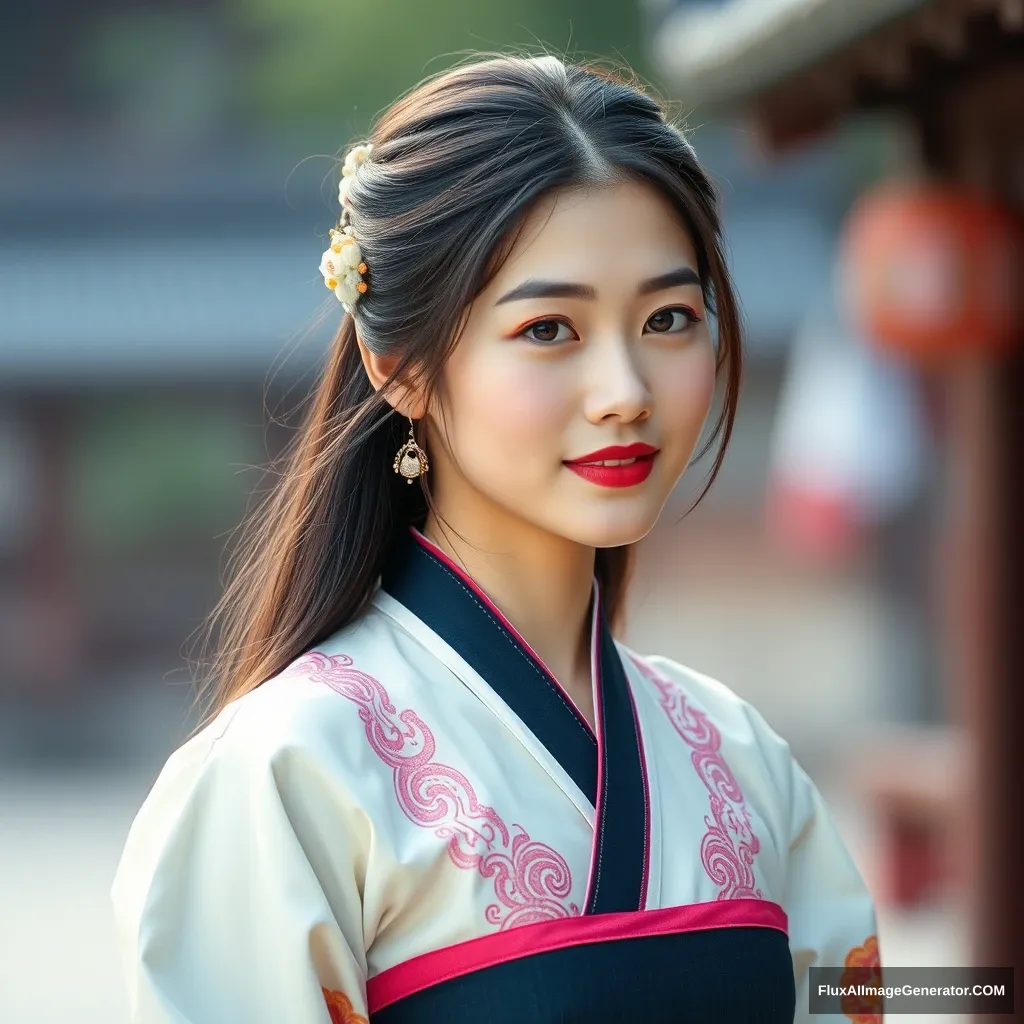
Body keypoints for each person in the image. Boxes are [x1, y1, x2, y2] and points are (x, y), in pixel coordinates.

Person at [110, 54, 880, 1023]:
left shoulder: (738, 756)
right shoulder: (290, 774)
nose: (626, 392)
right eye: (550, 329)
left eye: (669, 319)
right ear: (400, 368)